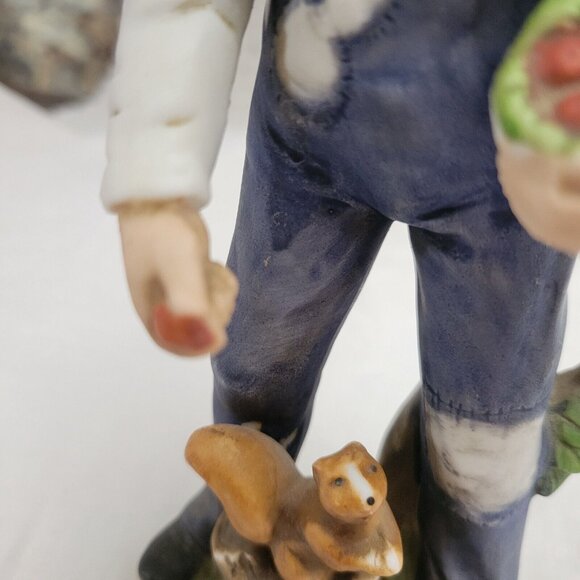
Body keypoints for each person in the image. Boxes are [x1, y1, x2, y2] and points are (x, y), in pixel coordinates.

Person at [101, 1, 580, 578]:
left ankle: (467, 562)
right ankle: (240, 505)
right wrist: (156, 180)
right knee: (254, 357)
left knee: (487, 432)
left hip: (513, 184)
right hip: (310, 130)